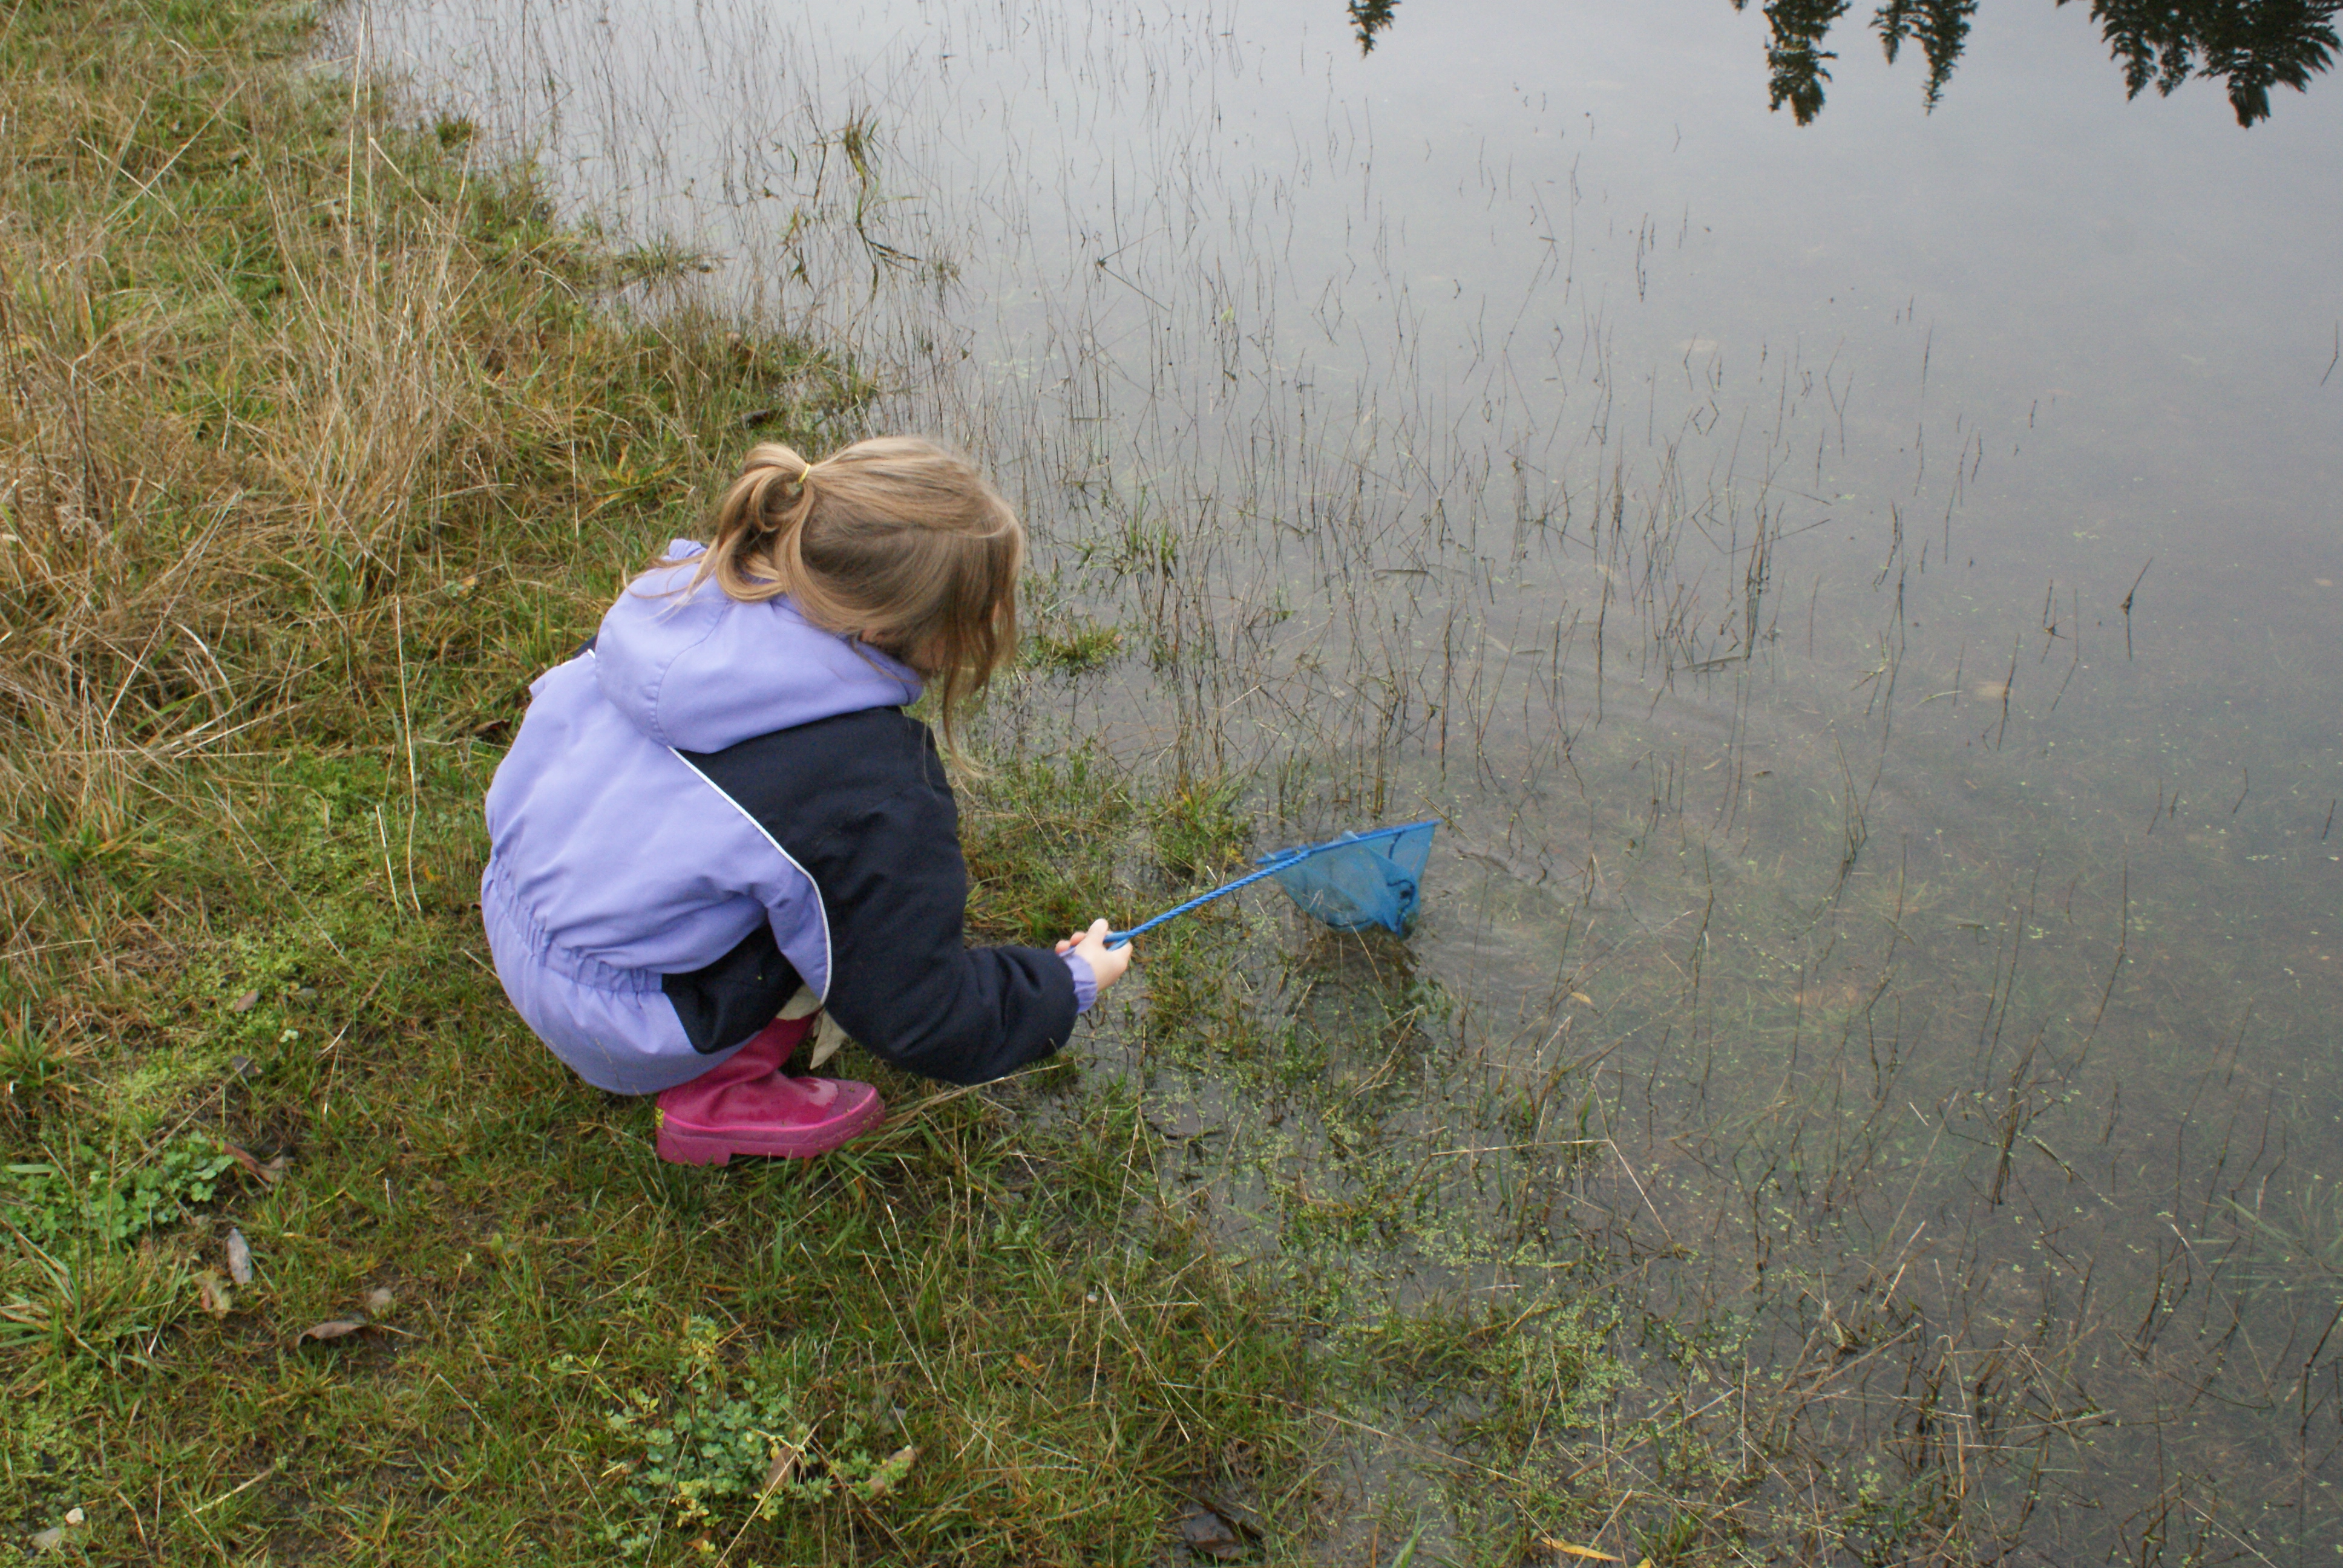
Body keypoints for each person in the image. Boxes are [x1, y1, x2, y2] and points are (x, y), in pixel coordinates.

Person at [479, 436, 1132, 1164]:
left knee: (777, 862)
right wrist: (1063, 983)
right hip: (619, 1021)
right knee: (837, 908)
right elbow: (919, 1011)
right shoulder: (869, 788)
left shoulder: (676, 595)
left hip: (511, 906)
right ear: (889, 629)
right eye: (977, 612)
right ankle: (716, 1093)